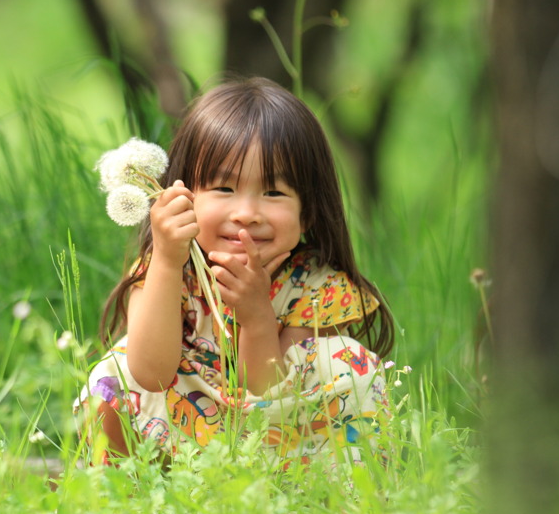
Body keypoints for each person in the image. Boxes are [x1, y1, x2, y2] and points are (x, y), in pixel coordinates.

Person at [76, 77, 395, 466]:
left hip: (281, 450)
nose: (246, 213)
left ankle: (339, 504)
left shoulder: (315, 286)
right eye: (224, 189)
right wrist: (165, 259)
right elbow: (148, 374)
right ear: (184, 194)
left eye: (274, 193)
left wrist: (257, 314)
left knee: (345, 361)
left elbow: (267, 393)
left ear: (307, 211)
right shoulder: (168, 269)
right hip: (178, 444)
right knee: (113, 372)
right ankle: (122, 497)